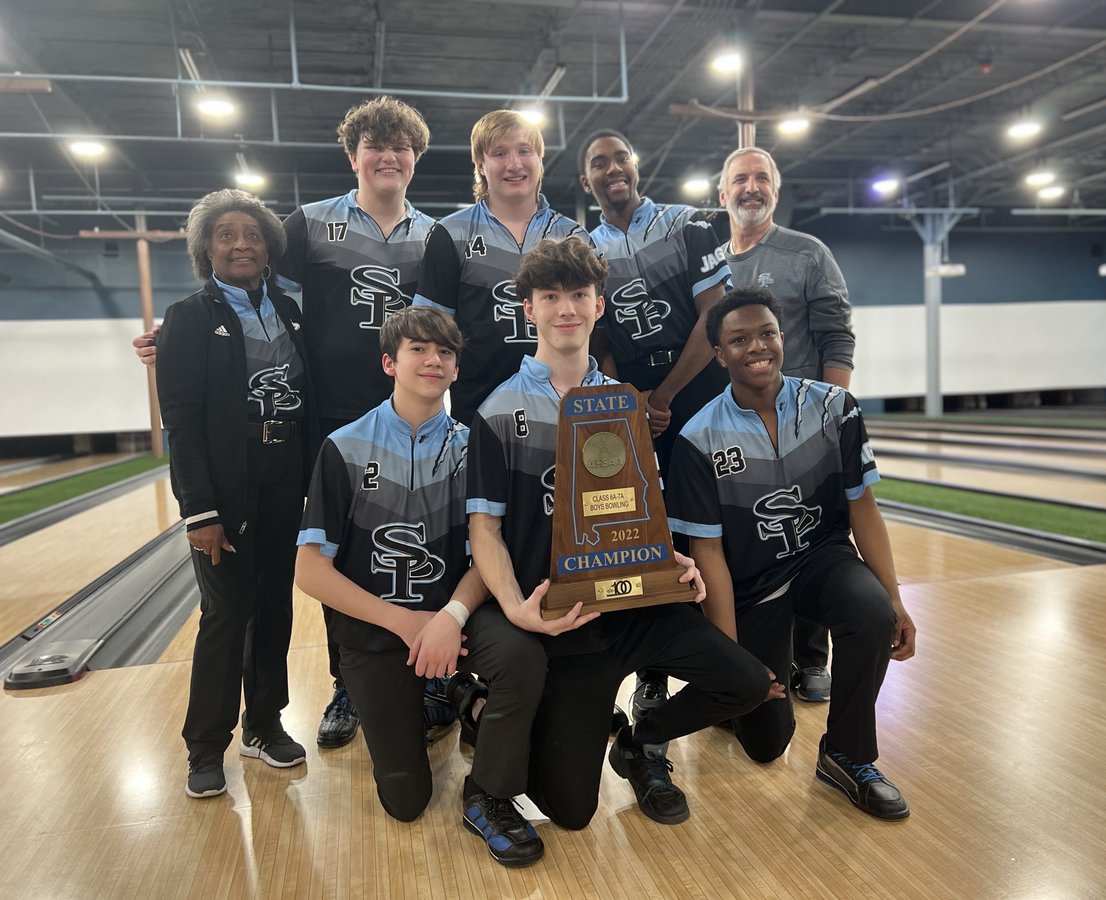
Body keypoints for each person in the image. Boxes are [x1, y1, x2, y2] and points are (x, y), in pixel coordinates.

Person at [136, 97, 437, 749]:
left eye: (399, 146)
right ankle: (347, 684)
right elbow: (248, 294)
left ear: (415, 157)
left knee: (415, 546)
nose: (387, 156)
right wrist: (180, 335)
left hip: (409, 418)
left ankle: (424, 676)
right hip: (326, 426)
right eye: (373, 145)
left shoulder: (434, 235)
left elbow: (450, 321)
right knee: (337, 562)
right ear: (353, 156)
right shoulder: (308, 224)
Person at [467, 235, 776, 831]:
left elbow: (645, 509)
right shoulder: (497, 411)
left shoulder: (622, 404)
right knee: (572, 813)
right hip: (568, 621)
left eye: (579, 295)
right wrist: (517, 610)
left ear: (599, 306)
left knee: (742, 680)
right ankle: (481, 709)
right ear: (526, 308)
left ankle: (638, 741)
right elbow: (485, 529)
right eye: (550, 296)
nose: (566, 309)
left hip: (638, 608)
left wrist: (674, 560)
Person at [294, 307, 550, 867]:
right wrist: (405, 622)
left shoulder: (472, 445)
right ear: (390, 361)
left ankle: (486, 792)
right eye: (418, 349)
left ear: (457, 368)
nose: (433, 360)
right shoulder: (343, 446)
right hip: (378, 629)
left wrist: (449, 616)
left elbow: (490, 553)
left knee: (522, 657)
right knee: (406, 802)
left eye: (445, 352)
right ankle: (456, 693)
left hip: (452, 620)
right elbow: (310, 572)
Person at [666, 287, 916, 820]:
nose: (757, 346)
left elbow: (863, 509)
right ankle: (733, 709)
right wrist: (730, 663)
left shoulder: (834, 408)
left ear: (782, 338)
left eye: (767, 334)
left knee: (869, 613)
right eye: (739, 339)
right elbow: (707, 553)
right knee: (765, 744)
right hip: (752, 584)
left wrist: (894, 598)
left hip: (821, 560)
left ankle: (847, 755)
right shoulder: (696, 439)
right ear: (719, 353)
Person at [156, 189, 318, 799]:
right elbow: (183, 421)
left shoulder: (292, 310)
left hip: (286, 475)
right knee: (227, 614)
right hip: (228, 483)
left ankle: (265, 723)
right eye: (225, 235)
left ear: (269, 246)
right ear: (206, 250)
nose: (241, 243)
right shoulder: (190, 318)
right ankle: (205, 746)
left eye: (251, 233)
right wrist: (199, 512)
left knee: (275, 605)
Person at [579, 128, 733, 723]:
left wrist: (663, 394)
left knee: (712, 534)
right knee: (653, 539)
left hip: (700, 400)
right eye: (599, 163)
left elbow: (713, 315)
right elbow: (599, 338)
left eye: (620, 157)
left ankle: (728, 654)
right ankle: (654, 674)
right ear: (588, 180)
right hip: (638, 409)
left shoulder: (688, 224)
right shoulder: (585, 247)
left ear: (636, 166)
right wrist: (629, 399)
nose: (612, 169)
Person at [718, 146, 857, 703]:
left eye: (761, 178)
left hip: (803, 428)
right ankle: (753, 655)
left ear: (775, 189)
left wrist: (833, 416)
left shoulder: (807, 253)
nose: (751, 188)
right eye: (740, 179)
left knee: (813, 534)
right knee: (748, 543)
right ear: (721, 193)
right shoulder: (710, 262)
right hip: (732, 430)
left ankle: (810, 657)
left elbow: (836, 335)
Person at [414, 109, 587, 425]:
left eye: (524, 151)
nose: (514, 164)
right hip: (479, 410)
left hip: (564, 407)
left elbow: (596, 330)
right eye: (500, 153)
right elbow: (431, 335)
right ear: (480, 164)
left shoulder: (572, 236)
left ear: (539, 159)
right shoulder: (450, 234)